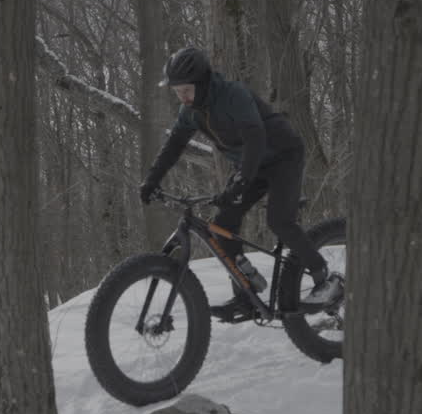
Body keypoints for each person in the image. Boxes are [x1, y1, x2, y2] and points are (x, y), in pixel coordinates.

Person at [139, 47, 338, 323]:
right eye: (176, 91)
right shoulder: (191, 111)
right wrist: (151, 180)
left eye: (185, 90)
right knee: (222, 228)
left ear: (201, 81)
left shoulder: (233, 95)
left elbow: (255, 137)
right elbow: (174, 146)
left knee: (279, 221)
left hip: (282, 155)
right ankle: (247, 297)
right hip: (250, 163)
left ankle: (324, 279)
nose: (181, 97)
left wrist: (242, 181)